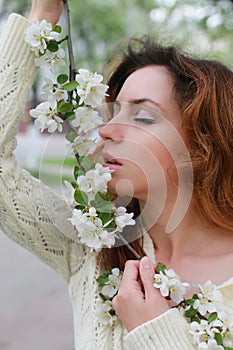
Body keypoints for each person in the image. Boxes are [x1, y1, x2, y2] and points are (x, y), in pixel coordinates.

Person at [0, 0, 232, 349]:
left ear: (201, 147)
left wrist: (153, 330)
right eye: (114, 111)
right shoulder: (92, 247)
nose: (106, 130)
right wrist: (40, 19)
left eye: (142, 117)